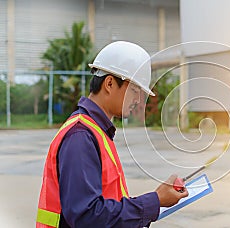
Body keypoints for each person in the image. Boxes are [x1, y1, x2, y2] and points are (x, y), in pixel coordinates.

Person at [36, 41, 188, 228]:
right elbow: (87, 216)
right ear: (109, 83)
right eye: (134, 90)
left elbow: (107, 203)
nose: (138, 100)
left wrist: (155, 200)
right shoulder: (80, 136)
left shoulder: (97, 132)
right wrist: (154, 201)